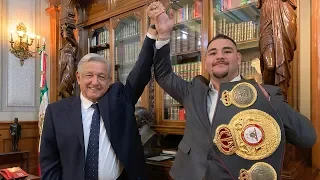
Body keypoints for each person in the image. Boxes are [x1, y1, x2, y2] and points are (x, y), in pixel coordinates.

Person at [149, 3, 316, 180]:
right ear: (206, 62)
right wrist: (164, 35)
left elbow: (307, 137)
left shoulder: (266, 94)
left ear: (238, 58)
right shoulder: (194, 90)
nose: (219, 56)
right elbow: (164, 75)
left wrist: (267, 103)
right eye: (213, 53)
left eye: (226, 51)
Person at [39, 4, 165, 180]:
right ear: (78, 77)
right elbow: (50, 164)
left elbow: (140, 72)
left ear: (109, 80)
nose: (95, 82)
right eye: (89, 75)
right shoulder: (56, 112)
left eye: (101, 76)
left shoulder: (119, 99)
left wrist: (152, 29)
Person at [258, 0, 297, 97]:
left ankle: (280, 100)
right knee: (269, 66)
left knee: (284, 62)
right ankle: (268, 99)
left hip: (285, 11)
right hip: (267, 14)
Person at [58, 23, 78, 99]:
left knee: (62, 88)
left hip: (70, 66)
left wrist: (64, 29)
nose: (64, 34)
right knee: (63, 89)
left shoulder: (74, 45)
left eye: (66, 33)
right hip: (63, 66)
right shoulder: (63, 46)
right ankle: (68, 104)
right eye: (62, 33)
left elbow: (66, 37)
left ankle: (70, 104)